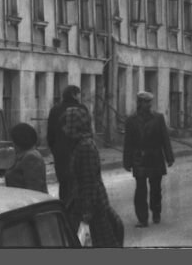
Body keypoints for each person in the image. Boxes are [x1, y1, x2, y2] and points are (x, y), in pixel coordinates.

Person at [60, 104, 124, 247]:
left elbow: (89, 182)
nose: (63, 130)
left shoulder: (85, 147)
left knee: (97, 243)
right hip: (88, 204)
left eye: (65, 125)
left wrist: (87, 212)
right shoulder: (80, 144)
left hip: (92, 207)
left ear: (74, 125)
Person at [122, 91, 174, 227]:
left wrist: (169, 157)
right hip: (139, 158)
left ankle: (156, 212)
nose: (149, 105)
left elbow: (165, 139)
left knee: (156, 189)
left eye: (150, 102)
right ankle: (142, 218)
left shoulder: (158, 118)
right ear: (140, 103)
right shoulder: (131, 120)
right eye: (146, 102)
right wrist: (127, 162)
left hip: (155, 157)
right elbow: (128, 142)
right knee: (140, 190)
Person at [47, 85, 86, 204]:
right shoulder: (81, 109)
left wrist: (55, 150)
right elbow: (87, 131)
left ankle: (64, 207)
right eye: (79, 94)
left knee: (64, 183)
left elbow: (50, 134)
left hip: (61, 152)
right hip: (79, 151)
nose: (80, 97)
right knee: (78, 182)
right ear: (74, 95)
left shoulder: (55, 110)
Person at [4, 122, 48, 193]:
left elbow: (34, 189)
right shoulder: (23, 155)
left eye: (13, 140)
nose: (12, 143)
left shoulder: (31, 157)